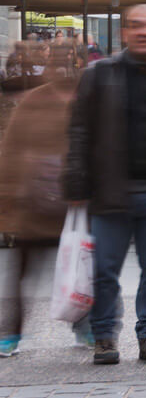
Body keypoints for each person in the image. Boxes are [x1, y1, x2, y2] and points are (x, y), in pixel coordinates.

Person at [61, 4, 146, 366]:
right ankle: (104, 336)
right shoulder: (98, 74)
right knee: (104, 270)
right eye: (136, 26)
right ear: (125, 34)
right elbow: (79, 131)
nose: (144, 32)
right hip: (110, 192)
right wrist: (75, 182)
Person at [0, 43, 91, 356]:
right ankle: (11, 332)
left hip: (77, 203)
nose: (63, 67)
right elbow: (11, 150)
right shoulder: (34, 101)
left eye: (69, 61)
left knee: (83, 268)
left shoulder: (87, 98)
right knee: (22, 274)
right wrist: (9, 201)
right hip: (34, 206)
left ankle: (84, 325)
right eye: (57, 61)